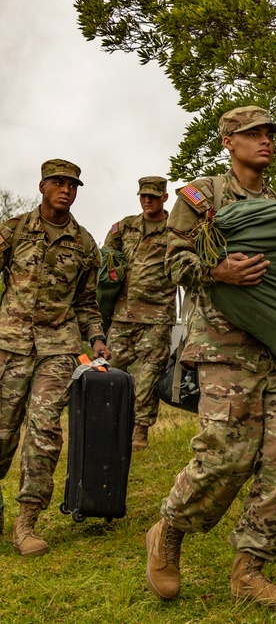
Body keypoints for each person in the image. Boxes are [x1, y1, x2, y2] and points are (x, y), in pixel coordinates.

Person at [144, 105, 276, 607]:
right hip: (225, 345)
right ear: (228, 141)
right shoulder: (204, 197)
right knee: (225, 455)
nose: (264, 140)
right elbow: (170, 260)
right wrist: (215, 271)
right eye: (253, 133)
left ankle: (250, 569)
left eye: (269, 133)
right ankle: (169, 531)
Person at [0, 159, 111, 557]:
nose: (66, 190)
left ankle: (26, 522)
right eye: (58, 183)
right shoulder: (12, 230)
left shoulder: (84, 243)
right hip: (9, 343)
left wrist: (96, 338)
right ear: (43, 186)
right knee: (2, 431)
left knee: (44, 428)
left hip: (59, 346)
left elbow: (86, 302)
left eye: (72, 185)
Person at [104, 176, 176, 451]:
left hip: (156, 318)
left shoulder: (174, 230)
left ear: (164, 198)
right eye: (144, 196)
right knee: (107, 371)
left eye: (154, 197)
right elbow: (107, 263)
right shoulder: (124, 227)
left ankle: (140, 433)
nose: (147, 200)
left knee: (148, 378)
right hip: (123, 315)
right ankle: (104, 422)